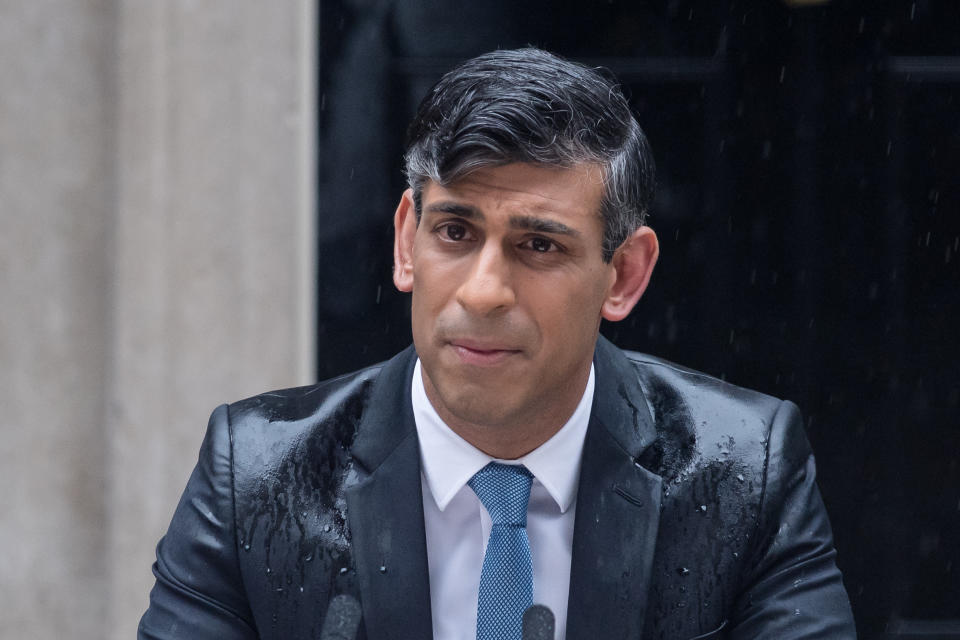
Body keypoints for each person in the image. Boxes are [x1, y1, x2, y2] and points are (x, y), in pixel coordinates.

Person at [139, 47, 856, 640]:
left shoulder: (744, 469)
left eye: (538, 244)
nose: (483, 291)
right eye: (454, 232)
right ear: (405, 243)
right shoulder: (258, 473)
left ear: (624, 275)